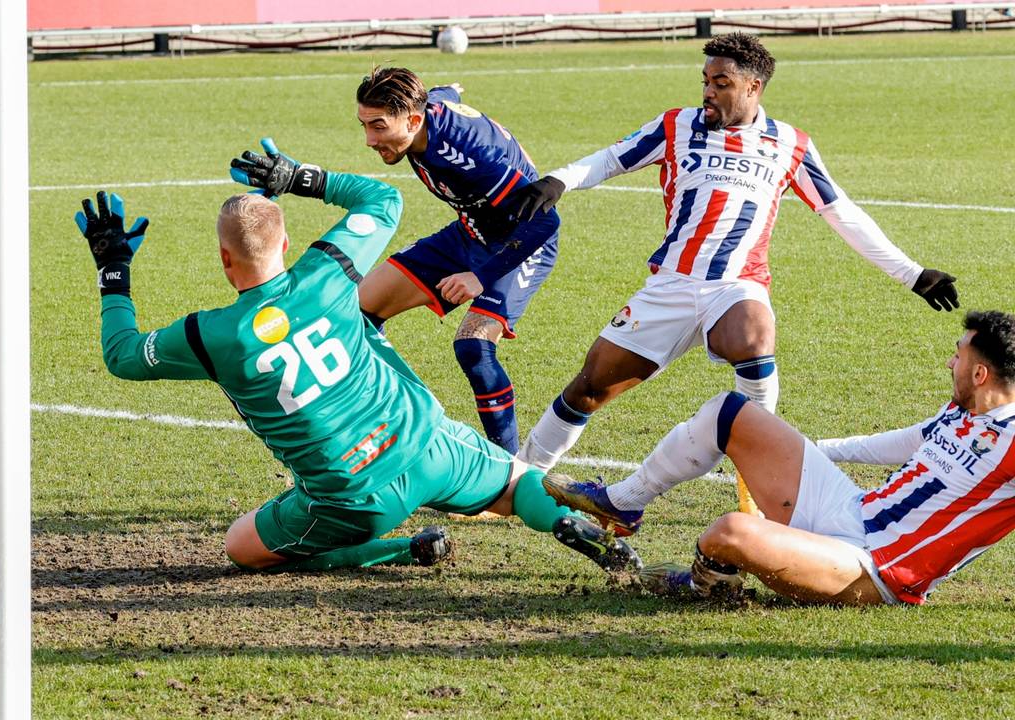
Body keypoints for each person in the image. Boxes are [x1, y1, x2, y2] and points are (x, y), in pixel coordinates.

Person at [74, 139, 633, 573]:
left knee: (241, 547)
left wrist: (113, 269)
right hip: (428, 444)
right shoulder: (328, 272)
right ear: (287, 245)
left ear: (223, 258)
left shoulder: (212, 335)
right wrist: (299, 178)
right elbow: (383, 198)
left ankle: (399, 551)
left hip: (355, 497)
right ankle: (563, 522)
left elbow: (122, 355)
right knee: (517, 484)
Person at [509, 33, 959, 492]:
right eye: (705, 80)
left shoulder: (790, 144)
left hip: (736, 283)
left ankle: (761, 473)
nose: (707, 91)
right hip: (671, 285)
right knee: (589, 388)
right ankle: (519, 479)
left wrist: (913, 274)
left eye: (721, 83)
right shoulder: (675, 127)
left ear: (753, 88)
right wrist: (557, 182)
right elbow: (609, 160)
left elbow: (839, 212)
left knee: (752, 337)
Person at [544, 310, 1015, 605]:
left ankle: (698, 586)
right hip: (850, 509)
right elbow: (909, 440)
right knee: (727, 412)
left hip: (870, 567)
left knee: (728, 532)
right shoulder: (960, 408)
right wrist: (812, 451)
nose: (948, 364)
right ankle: (624, 501)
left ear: (978, 372)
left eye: (956, 356)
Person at [354, 67, 560, 454]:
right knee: (357, 313)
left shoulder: (467, 155)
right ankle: (397, 422)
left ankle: (507, 473)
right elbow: (442, 94)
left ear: (415, 120)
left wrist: (481, 277)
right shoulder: (426, 110)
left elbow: (546, 221)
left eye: (379, 127)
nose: (369, 139)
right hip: (470, 231)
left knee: (473, 346)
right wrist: (452, 89)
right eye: (364, 125)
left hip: (519, 242)